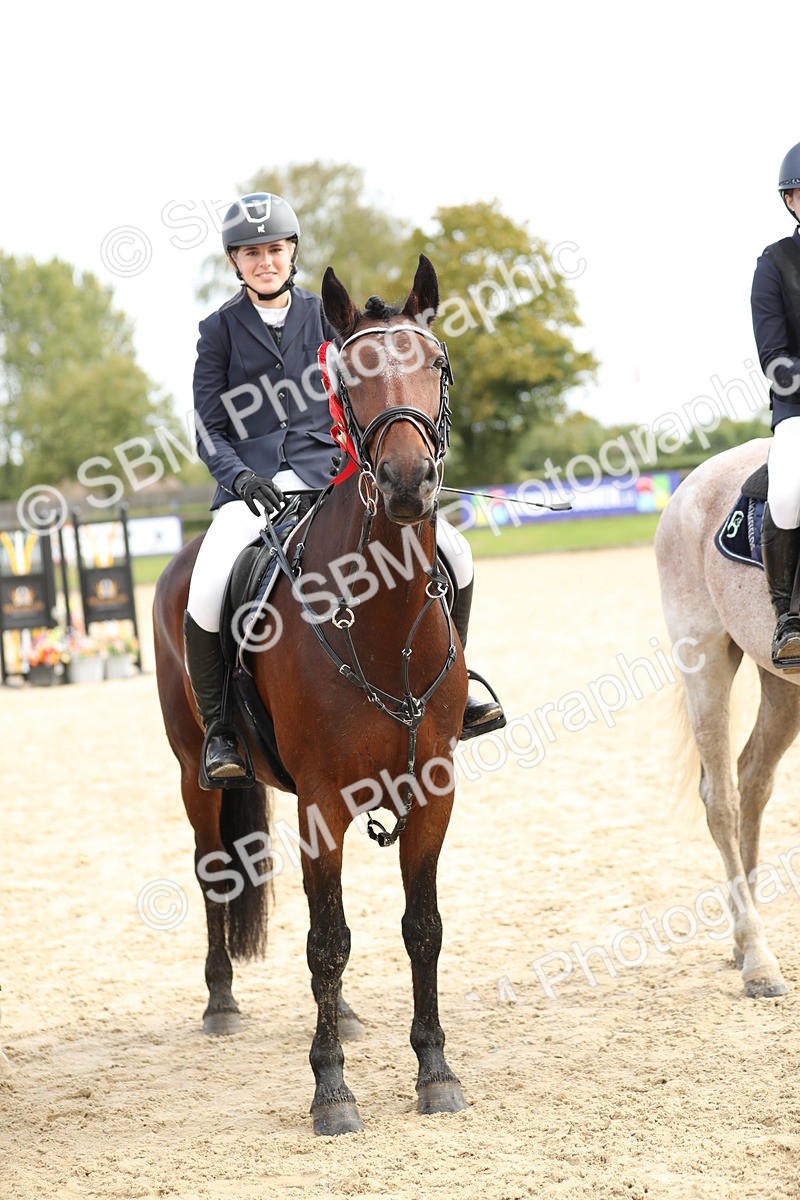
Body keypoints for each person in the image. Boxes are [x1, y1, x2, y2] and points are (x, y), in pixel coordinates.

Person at [185, 192, 505, 784]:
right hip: (253, 490)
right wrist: (240, 478)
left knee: (456, 553)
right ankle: (221, 727)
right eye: (252, 254)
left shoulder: (329, 319)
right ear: (235, 262)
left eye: (275, 250)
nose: (265, 262)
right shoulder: (218, 330)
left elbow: (364, 397)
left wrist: (371, 461)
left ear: (292, 253)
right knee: (205, 589)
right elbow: (208, 427)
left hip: (333, 476)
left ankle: (454, 686)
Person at [752, 142, 800, 669]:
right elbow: (776, 360)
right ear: (791, 200)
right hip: (798, 409)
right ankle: (789, 618)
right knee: (786, 495)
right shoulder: (774, 264)